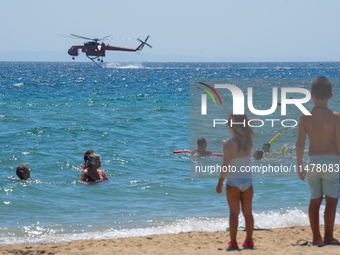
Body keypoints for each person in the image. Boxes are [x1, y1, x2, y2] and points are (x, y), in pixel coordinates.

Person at [296, 77, 340, 245]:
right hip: (332, 161)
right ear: (331, 95)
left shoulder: (305, 116)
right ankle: (328, 236)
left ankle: (316, 237)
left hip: (313, 161)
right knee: (332, 200)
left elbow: (300, 143)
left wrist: (299, 165)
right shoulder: (336, 117)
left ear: (311, 94)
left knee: (315, 200)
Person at [216, 113, 255, 249]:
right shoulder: (248, 142)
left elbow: (225, 165)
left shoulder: (228, 144)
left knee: (234, 213)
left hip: (233, 183)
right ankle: (249, 241)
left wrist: (220, 182)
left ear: (230, 127)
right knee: (248, 213)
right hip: (248, 183)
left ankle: (233, 242)